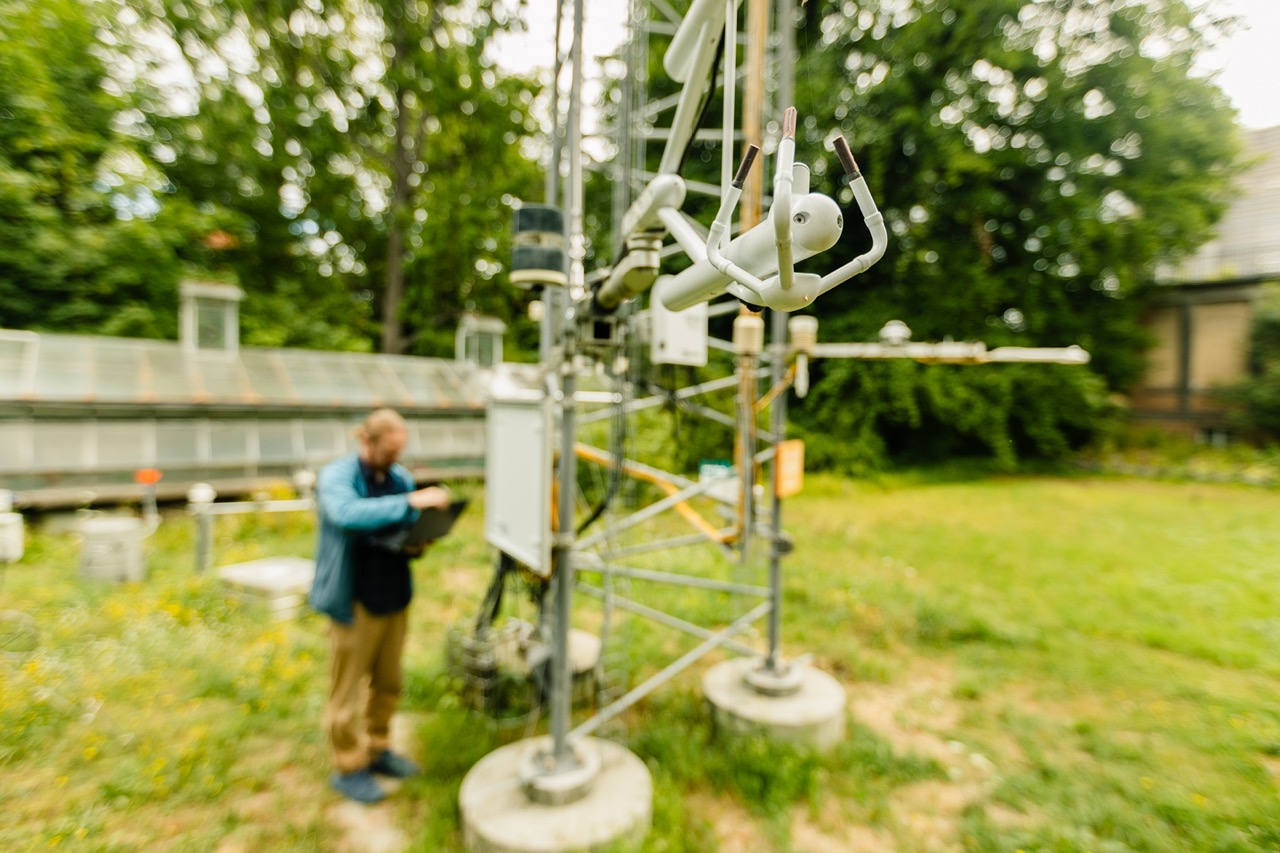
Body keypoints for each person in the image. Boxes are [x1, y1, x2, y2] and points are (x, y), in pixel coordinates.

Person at [309, 408, 451, 804]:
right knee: (347, 688)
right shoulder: (338, 477)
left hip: (392, 593)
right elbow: (347, 514)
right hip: (353, 598)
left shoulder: (398, 477)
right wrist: (410, 501)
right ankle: (349, 766)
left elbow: (400, 527)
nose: (394, 460)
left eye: (398, 452)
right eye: (388, 452)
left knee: (389, 681)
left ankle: (378, 747)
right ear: (366, 441)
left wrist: (421, 536)